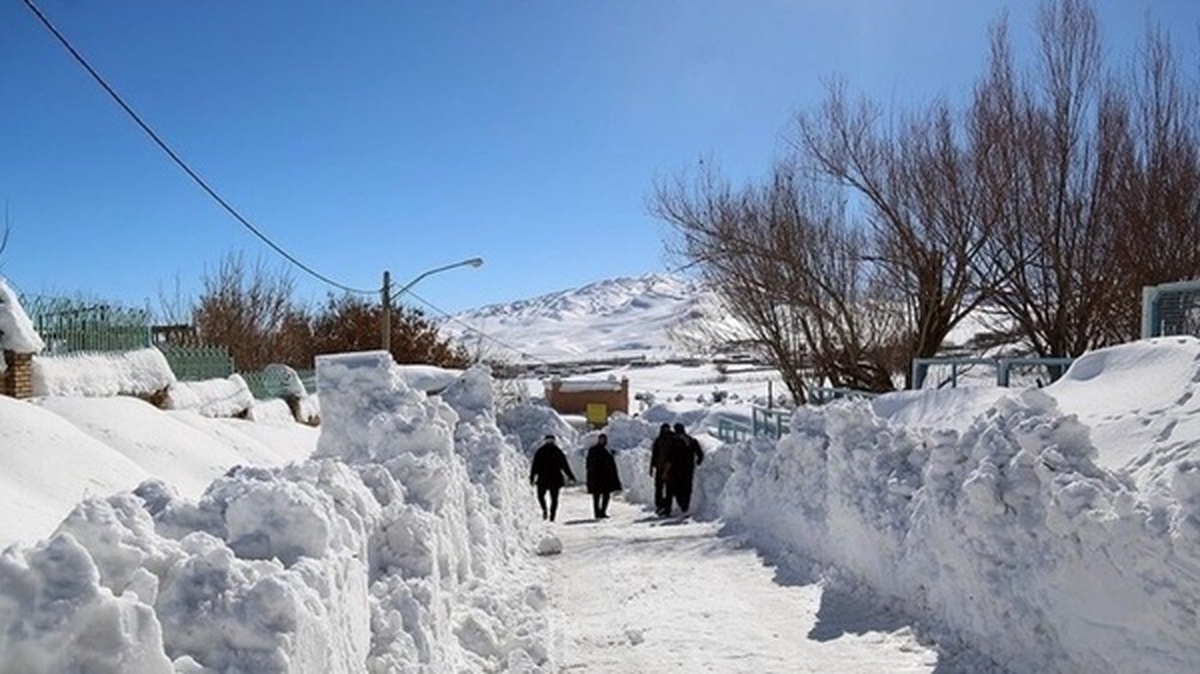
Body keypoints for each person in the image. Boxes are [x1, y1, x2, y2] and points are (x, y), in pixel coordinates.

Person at [529, 435, 576, 522]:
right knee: (543, 496)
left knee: (552, 498)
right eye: (548, 441)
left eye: (551, 441)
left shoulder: (556, 451)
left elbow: (564, 465)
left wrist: (570, 475)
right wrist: (532, 476)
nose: (550, 442)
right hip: (547, 478)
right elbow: (535, 465)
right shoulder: (541, 451)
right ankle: (546, 511)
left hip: (551, 478)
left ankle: (551, 514)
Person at [665, 422, 704, 514]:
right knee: (687, 487)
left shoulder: (674, 441)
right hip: (688, 468)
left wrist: (667, 469)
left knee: (678, 488)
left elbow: (670, 457)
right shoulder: (691, 440)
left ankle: (682, 504)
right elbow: (700, 453)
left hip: (676, 469)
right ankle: (685, 504)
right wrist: (698, 461)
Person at [585, 433, 622, 519]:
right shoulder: (593, 450)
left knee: (606, 495)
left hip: (606, 477)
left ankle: (603, 512)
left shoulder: (607, 450)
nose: (602, 441)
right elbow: (589, 463)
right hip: (596, 476)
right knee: (596, 496)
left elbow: (611, 465)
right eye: (601, 439)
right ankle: (597, 513)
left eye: (604, 439)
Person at [649, 423, 675, 516]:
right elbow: (654, 454)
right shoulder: (661, 439)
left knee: (663, 489)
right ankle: (664, 507)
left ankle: (663, 507)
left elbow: (654, 455)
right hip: (665, 468)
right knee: (664, 489)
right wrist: (651, 467)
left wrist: (652, 467)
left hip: (666, 468)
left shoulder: (666, 439)